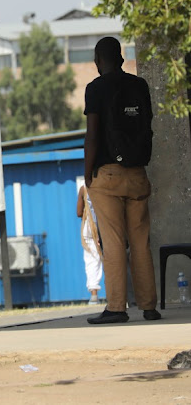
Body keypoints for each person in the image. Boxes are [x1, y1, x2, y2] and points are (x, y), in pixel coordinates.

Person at [83, 37, 161, 324]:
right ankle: (149, 306)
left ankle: (117, 307)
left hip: (108, 175)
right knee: (140, 242)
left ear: (98, 60)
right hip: (138, 173)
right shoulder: (139, 86)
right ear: (122, 58)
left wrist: (87, 172)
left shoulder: (96, 88)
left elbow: (92, 135)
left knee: (114, 242)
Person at [77, 184, 102, 305]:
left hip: (90, 227)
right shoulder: (106, 183)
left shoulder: (84, 189)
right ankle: (118, 294)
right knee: (112, 258)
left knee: (91, 260)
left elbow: (78, 212)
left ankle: (94, 295)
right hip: (105, 224)